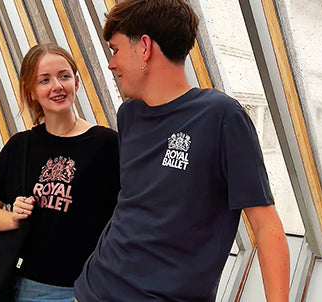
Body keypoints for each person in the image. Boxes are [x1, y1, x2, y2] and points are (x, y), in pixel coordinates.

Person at [74, 1, 290, 301]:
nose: (111, 64)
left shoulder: (222, 117)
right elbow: (136, 204)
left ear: (145, 47)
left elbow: (266, 227)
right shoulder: (129, 114)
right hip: (94, 288)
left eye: (116, 50)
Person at [0, 43, 120, 302]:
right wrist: (14, 218)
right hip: (26, 287)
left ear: (76, 82)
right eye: (44, 80)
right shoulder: (21, 146)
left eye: (64, 76)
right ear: (31, 91)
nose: (57, 86)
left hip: (87, 289)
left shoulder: (108, 144)